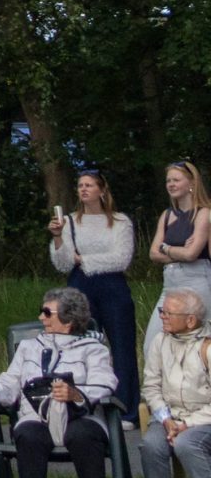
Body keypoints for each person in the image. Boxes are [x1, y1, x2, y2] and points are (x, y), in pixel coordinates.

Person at [0, 285, 118, 478]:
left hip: (78, 416)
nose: (41, 317)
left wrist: (76, 394)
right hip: (36, 414)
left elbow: (106, 382)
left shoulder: (93, 348)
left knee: (83, 434)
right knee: (28, 434)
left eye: (47, 312)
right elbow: (10, 380)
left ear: (68, 318)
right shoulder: (29, 346)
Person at [50, 170, 140, 423]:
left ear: (102, 190)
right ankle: (84, 406)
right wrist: (58, 237)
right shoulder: (69, 221)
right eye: (80, 185)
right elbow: (63, 263)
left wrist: (85, 260)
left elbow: (122, 258)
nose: (84, 189)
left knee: (122, 346)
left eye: (89, 185)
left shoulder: (120, 221)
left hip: (113, 287)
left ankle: (126, 409)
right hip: (80, 286)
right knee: (82, 345)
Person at [140, 288, 211, 478]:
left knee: (186, 442)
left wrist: (186, 424)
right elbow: (150, 385)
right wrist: (164, 417)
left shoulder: (208, 346)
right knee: (151, 443)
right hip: (169, 416)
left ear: (191, 320)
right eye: (163, 311)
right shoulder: (160, 341)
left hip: (203, 419)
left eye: (169, 313)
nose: (163, 317)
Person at [151, 162, 211, 356]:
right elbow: (153, 253)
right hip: (170, 283)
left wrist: (166, 248)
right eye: (168, 180)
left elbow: (191, 254)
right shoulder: (167, 215)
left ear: (191, 183)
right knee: (153, 342)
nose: (171, 184)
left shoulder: (203, 213)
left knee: (199, 342)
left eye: (176, 180)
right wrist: (177, 253)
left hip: (196, 281)